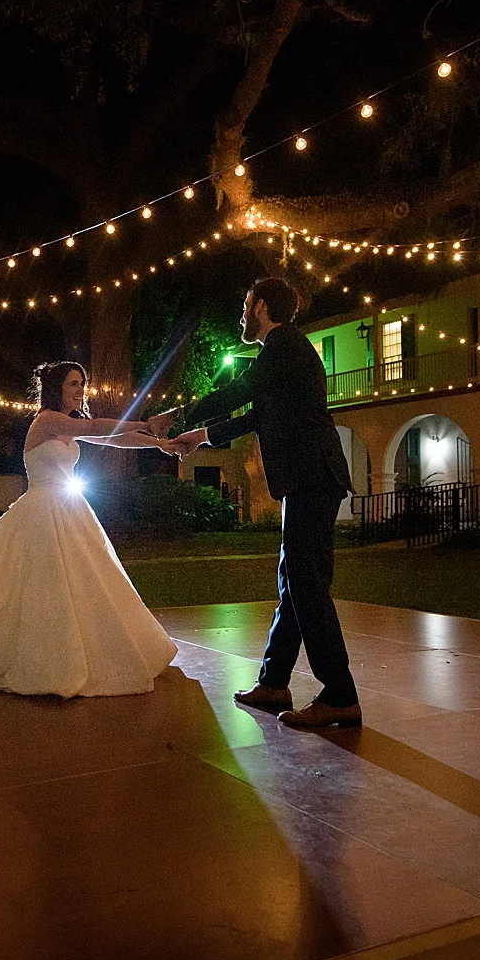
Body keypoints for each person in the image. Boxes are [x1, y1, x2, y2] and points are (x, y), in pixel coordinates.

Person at [0, 362, 181, 698]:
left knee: (86, 582)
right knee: (40, 586)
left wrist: (158, 444)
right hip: (40, 511)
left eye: (82, 384)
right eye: (74, 384)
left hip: (71, 511)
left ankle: (88, 652)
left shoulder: (73, 423)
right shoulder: (47, 420)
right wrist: (145, 422)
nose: (80, 390)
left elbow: (113, 438)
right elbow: (97, 428)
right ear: (57, 389)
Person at [170, 278, 361, 730]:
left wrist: (180, 417)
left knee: (307, 585)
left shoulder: (283, 347)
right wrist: (202, 435)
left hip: (313, 477)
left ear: (259, 306)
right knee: (294, 583)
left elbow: (241, 393)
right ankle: (274, 681)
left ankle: (340, 694)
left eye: (244, 305)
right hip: (310, 479)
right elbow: (257, 414)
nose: (241, 315)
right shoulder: (285, 352)